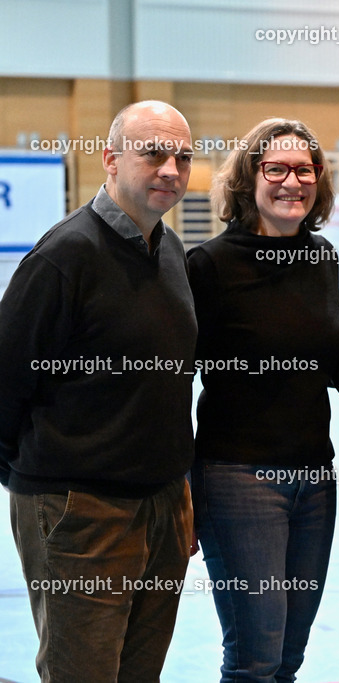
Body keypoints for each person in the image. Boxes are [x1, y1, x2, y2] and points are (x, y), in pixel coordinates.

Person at [0, 100, 196, 681]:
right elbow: (6, 383)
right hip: (79, 508)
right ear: (110, 159)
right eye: (154, 153)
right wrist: (49, 483)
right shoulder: (65, 256)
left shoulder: (171, 251)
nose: (171, 169)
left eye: (183, 157)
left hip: (163, 505)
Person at [187, 118, 339, 682]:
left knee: (289, 656)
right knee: (255, 659)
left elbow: (328, 355)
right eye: (277, 169)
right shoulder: (210, 266)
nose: (293, 181)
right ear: (249, 178)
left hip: (315, 479)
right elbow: (173, 378)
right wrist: (179, 483)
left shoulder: (321, 259)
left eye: (305, 170)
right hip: (238, 479)